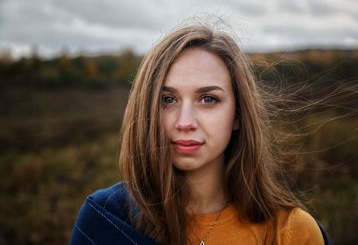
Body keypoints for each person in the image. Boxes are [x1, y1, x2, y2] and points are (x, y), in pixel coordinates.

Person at [70, 23, 332, 245]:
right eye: (167, 99)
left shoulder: (290, 233)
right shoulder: (105, 220)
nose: (185, 122)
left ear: (238, 115)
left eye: (208, 99)